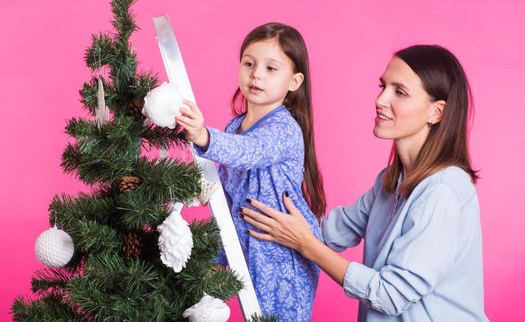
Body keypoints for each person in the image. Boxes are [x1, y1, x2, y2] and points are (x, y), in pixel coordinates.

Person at [241, 45, 489, 321]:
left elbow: (390, 295)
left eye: (400, 92)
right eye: (383, 86)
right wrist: (256, 210)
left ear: (436, 113)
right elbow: (326, 232)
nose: (381, 99)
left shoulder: (443, 192)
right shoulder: (389, 183)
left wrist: (307, 245)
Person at [175, 22, 327, 321]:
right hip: (248, 248)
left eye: (271, 68)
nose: (256, 74)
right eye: (249, 63)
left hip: (284, 255)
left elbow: (250, 152)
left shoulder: (284, 128)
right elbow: (228, 199)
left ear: (294, 81)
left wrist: (204, 136)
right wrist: (218, 257)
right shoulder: (235, 127)